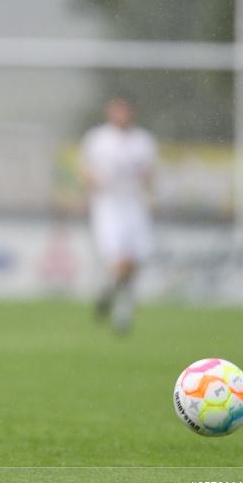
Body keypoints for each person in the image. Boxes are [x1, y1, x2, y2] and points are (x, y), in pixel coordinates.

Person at [79, 97, 156, 334]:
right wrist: (93, 184)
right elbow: (84, 170)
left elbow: (150, 175)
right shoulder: (98, 139)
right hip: (108, 205)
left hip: (134, 204)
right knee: (120, 261)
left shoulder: (143, 141)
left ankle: (110, 295)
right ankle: (122, 312)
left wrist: (150, 194)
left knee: (135, 262)